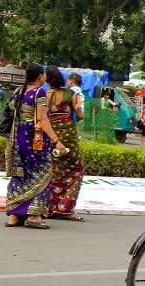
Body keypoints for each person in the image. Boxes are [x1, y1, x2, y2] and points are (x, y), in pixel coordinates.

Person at [4, 63, 67, 229]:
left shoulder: (19, 91)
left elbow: (12, 112)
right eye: (44, 74)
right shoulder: (39, 92)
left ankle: (14, 216)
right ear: (40, 76)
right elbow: (42, 119)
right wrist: (56, 140)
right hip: (35, 140)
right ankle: (34, 216)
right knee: (44, 174)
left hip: (18, 139)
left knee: (20, 175)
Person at [44, 66, 85, 221]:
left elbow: (41, 117)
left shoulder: (45, 95)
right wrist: (78, 115)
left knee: (54, 171)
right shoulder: (72, 94)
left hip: (52, 137)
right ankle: (65, 208)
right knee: (76, 170)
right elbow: (79, 112)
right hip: (69, 138)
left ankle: (49, 207)